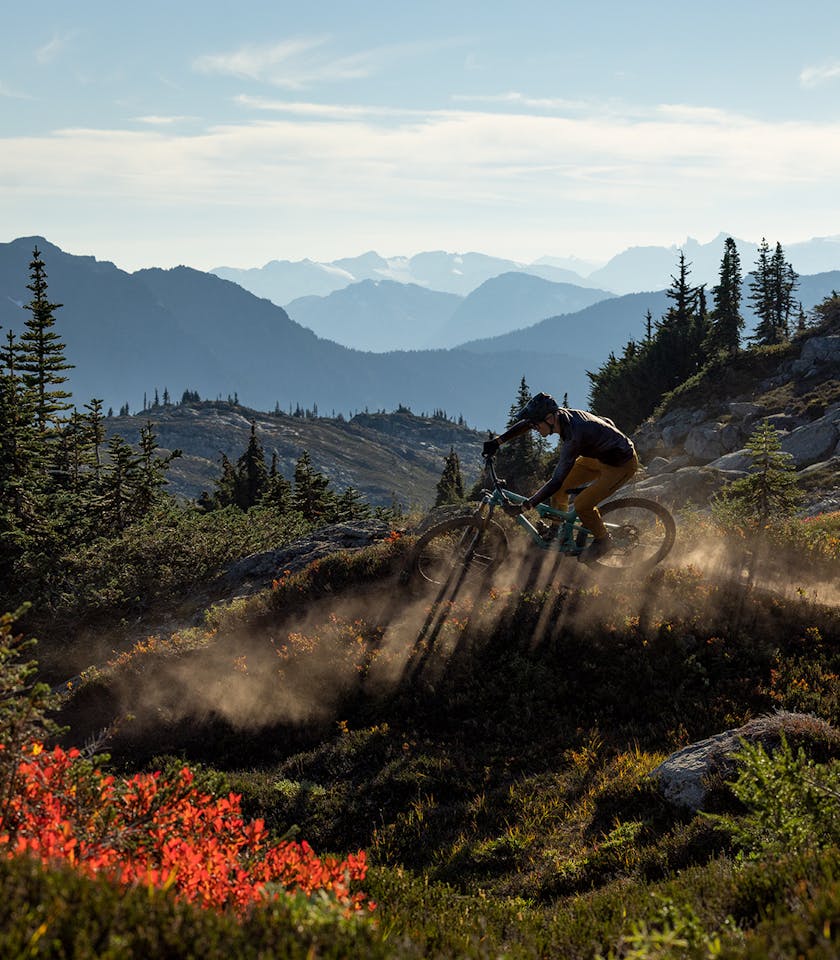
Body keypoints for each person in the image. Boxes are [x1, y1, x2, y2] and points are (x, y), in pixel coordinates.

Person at [482, 392, 639, 561]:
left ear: (549, 419)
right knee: (561, 490)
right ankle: (557, 530)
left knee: (582, 504)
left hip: (621, 464)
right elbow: (527, 424)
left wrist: (524, 507)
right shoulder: (557, 415)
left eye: (536, 425)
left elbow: (556, 480)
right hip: (598, 456)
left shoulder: (574, 435)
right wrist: (498, 442)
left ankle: (603, 541)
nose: (534, 428)